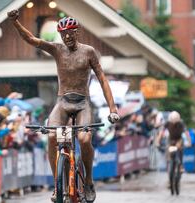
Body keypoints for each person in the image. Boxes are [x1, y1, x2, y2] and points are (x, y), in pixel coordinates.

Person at [8, 10, 120, 202]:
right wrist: (15, 22)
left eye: (71, 32)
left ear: (77, 32)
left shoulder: (88, 52)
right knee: (52, 135)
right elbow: (32, 39)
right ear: (60, 35)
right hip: (62, 102)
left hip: (83, 102)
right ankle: (57, 185)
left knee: (84, 140)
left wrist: (113, 109)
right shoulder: (57, 49)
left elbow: (102, 79)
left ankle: (88, 181)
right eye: (63, 34)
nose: (67, 36)